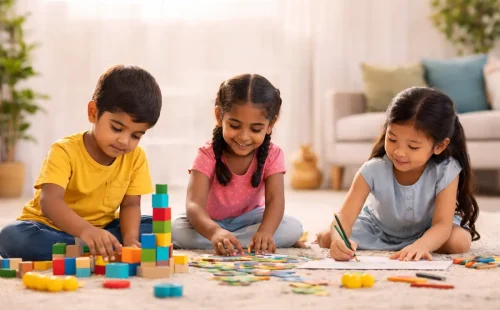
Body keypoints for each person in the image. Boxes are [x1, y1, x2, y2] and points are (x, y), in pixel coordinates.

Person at [0, 65, 162, 261]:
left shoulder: (136, 156)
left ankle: (94, 246)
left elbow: (130, 206)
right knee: (12, 238)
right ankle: (89, 246)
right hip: (51, 228)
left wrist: (129, 240)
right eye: (117, 128)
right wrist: (85, 231)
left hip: (103, 228)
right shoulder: (64, 150)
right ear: (93, 112)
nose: (124, 141)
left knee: (157, 226)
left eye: (136, 135)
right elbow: (50, 203)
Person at [316, 87, 480, 261]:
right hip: (377, 229)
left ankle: (417, 244)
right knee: (329, 236)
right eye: (392, 139)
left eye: (413, 146)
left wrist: (422, 245)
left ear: (439, 146)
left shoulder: (446, 170)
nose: (399, 152)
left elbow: (442, 225)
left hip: (429, 230)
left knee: (459, 242)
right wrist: (339, 240)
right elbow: (345, 216)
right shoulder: (372, 169)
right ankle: (325, 237)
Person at [172, 74, 304, 256]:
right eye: (235, 126)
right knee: (177, 229)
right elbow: (194, 204)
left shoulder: (273, 155)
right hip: (210, 222)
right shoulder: (207, 154)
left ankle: (234, 241)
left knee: (293, 227)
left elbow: (275, 202)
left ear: (270, 124)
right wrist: (215, 232)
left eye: (255, 129)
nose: (244, 136)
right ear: (219, 116)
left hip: (249, 219)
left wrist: (265, 232)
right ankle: (231, 240)